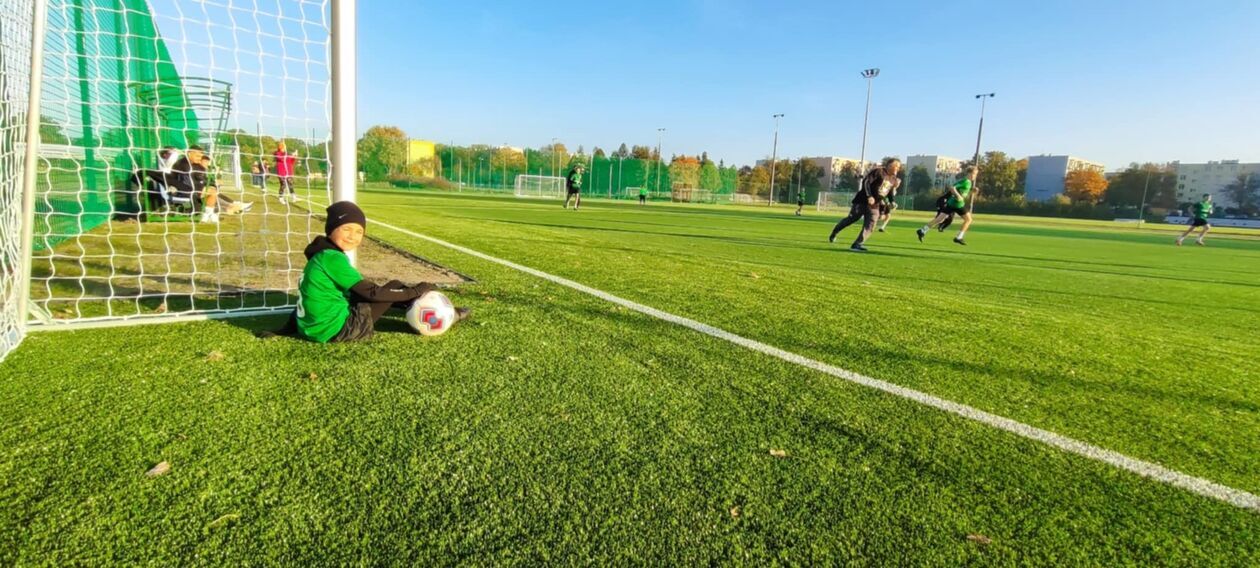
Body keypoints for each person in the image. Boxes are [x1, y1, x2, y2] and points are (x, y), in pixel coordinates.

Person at [260, 201, 470, 342]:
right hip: (339, 331)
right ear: (331, 229)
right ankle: (447, 316)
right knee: (393, 287)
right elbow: (373, 294)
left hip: (311, 329)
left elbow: (304, 300)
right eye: (346, 229)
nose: (353, 236)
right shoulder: (332, 259)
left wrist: (283, 330)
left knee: (382, 292)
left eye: (359, 231)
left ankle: (438, 309)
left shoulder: (319, 255)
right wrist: (418, 290)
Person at [827, 157, 901, 252]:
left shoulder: (894, 179)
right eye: (897, 166)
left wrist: (892, 202)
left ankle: (857, 244)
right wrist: (869, 196)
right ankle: (835, 232)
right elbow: (866, 182)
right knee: (851, 219)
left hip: (875, 205)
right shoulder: (878, 172)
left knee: (871, 224)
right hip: (862, 201)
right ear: (890, 165)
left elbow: (889, 192)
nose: (898, 169)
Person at [916, 166, 978, 245]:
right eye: (974, 174)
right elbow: (952, 188)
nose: (975, 176)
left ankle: (922, 230)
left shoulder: (968, 182)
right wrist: (958, 196)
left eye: (976, 174)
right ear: (969, 173)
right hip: (957, 204)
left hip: (951, 203)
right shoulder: (965, 181)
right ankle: (958, 237)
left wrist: (972, 191)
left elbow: (962, 193)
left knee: (939, 219)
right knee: (968, 220)